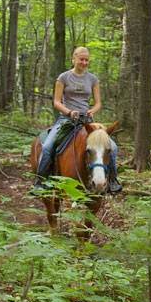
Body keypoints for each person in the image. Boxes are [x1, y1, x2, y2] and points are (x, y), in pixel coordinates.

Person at [33, 46, 122, 193]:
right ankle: (40, 181)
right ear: (73, 58)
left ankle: (112, 180)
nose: (84, 62)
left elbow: (98, 103)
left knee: (112, 147)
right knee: (48, 146)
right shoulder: (64, 77)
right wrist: (69, 112)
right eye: (81, 59)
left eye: (87, 60)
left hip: (87, 121)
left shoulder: (93, 79)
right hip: (66, 119)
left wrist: (92, 110)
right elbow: (56, 101)